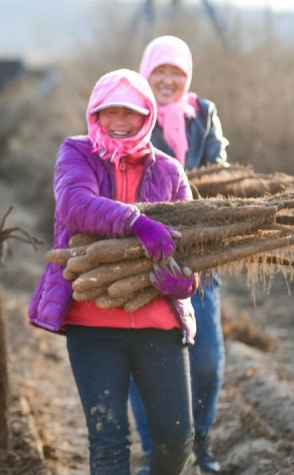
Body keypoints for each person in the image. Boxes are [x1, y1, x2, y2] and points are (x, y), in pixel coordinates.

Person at [29, 68, 200, 475]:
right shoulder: (77, 152)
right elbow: (74, 203)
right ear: (95, 115)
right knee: (108, 441)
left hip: (158, 323)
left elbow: (196, 248)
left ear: (147, 117)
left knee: (177, 440)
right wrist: (137, 223)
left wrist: (187, 282)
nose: (120, 120)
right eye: (110, 112)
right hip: (94, 322)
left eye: (131, 112)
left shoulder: (170, 171)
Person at [129, 35, 230, 475]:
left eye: (177, 73)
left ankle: (200, 443)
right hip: (141, 254)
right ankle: (156, 449)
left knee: (205, 359)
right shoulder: (129, 113)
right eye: (160, 72)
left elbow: (221, 171)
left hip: (200, 255)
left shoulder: (203, 114)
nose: (168, 80)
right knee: (147, 355)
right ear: (146, 73)